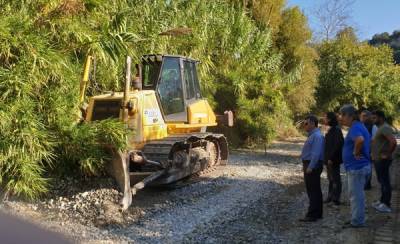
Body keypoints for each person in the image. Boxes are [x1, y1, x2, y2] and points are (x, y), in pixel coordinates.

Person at [339, 104, 371, 228]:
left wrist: (355, 152)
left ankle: (357, 221)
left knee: (356, 196)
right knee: (358, 195)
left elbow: (360, 140)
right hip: (360, 167)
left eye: (343, 115)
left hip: (357, 168)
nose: (341, 118)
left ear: (351, 116)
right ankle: (357, 218)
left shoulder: (355, 128)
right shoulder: (359, 126)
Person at [299, 115, 325, 222]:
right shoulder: (314, 135)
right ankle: (317, 213)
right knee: (315, 190)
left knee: (312, 190)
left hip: (312, 165)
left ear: (313, 124)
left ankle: (312, 214)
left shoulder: (317, 136)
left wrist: (310, 167)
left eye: (306, 123)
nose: (305, 125)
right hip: (310, 164)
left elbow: (315, 153)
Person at [371, 110, 397, 213]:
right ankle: (382, 201)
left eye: (375, 118)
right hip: (378, 159)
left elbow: (393, 142)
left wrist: (387, 154)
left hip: (383, 160)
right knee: (382, 181)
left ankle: (386, 204)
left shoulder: (385, 128)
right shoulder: (381, 128)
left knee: (385, 182)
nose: (373, 120)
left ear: (381, 118)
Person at [323, 112, 344, 206]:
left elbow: (337, 145)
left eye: (325, 117)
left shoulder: (336, 130)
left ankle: (336, 199)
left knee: (336, 178)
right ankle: (330, 196)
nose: (324, 119)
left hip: (333, 159)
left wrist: (331, 158)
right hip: (329, 159)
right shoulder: (331, 129)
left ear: (330, 119)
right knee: (331, 178)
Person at [360, 110, 378, 190]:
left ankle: (367, 184)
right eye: (361, 116)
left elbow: (374, 140)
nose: (362, 117)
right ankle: (363, 183)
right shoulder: (361, 125)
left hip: (369, 151)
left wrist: (372, 152)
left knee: (368, 168)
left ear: (368, 117)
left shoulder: (373, 127)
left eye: (364, 116)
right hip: (361, 150)